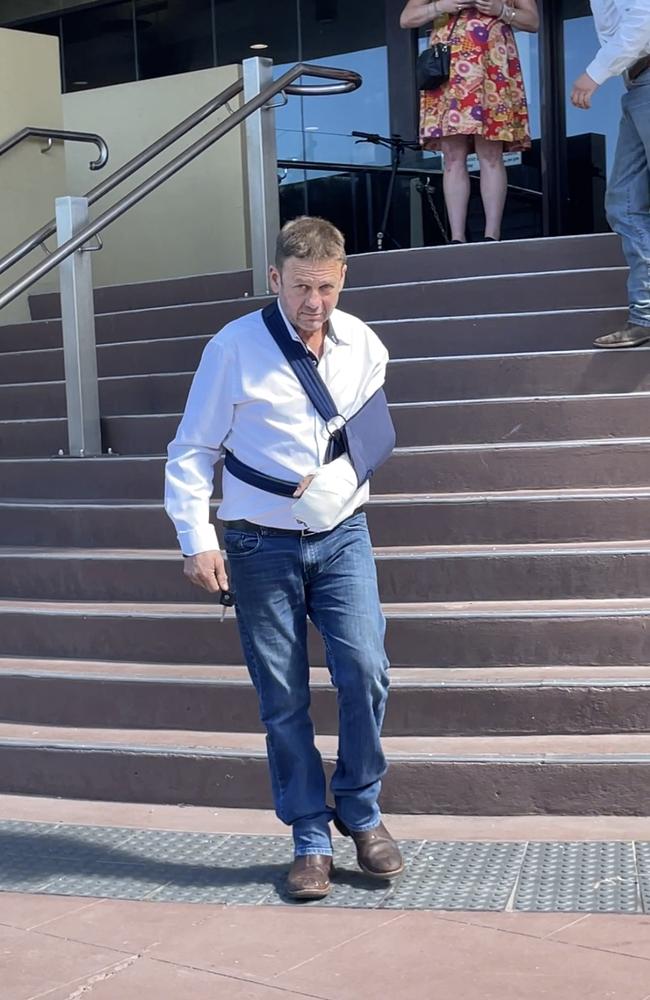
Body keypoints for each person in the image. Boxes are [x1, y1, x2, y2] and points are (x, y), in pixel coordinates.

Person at [164, 216, 403, 901]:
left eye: (326, 288)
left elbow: (372, 434)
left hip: (343, 533)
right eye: (300, 287)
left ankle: (359, 810)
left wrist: (341, 480)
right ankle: (307, 833)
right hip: (256, 540)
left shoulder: (363, 345)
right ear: (275, 279)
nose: (314, 303)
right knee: (283, 696)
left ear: (342, 279)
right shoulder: (233, 348)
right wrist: (197, 538)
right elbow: (192, 450)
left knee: (366, 670)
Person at [400, 0, 539, 244]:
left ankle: (492, 235)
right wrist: (441, 6)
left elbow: (533, 21)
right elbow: (406, 18)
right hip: (450, 69)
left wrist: (502, 10)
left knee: (491, 152)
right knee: (452, 156)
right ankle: (456, 238)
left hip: (491, 64)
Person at [571, 2, 650, 349]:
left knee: (625, 201)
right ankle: (645, 314)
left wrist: (594, 73)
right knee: (623, 202)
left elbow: (644, 18)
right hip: (637, 85)